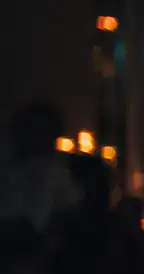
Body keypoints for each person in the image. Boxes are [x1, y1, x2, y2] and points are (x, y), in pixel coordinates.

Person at [0, 101, 82, 237]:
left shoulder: (57, 173)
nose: (37, 139)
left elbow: (70, 206)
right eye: (32, 131)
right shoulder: (10, 174)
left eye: (43, 132)